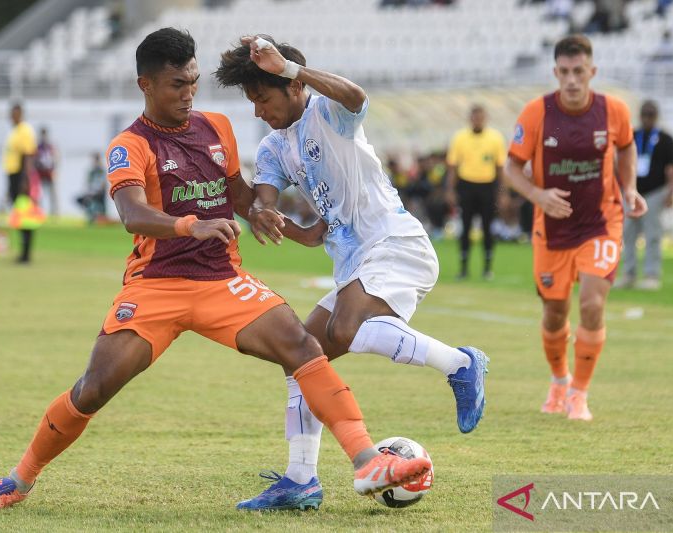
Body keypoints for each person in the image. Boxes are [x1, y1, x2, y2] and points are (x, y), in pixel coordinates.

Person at [0, 28, 431, 510]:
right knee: (94, 389)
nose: (188, 93)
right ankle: (19, 480)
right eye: (176, 85)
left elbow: (242, 200)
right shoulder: (130, 145)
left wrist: (290, 227)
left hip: (222, 282)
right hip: (156, 286)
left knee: (302, 346)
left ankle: (366, 461)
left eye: (192, 81)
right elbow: (132, 214)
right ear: (145, 85)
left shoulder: (217, 130)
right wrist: (192, 225)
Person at [215, 35, 488, 511]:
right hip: (355, 262)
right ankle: (301, 481)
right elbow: (266, 191)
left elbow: (357, 96)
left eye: (263, 97)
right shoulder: (277, 145)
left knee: (347, 327)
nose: (258, 110)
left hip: (395, 244)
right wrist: (268, 214)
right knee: (301, 356)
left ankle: (460, 364)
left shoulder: (327, 111)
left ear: (291, 86)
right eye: (252, 101)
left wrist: (292, 68)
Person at [503, 34, 647, 421]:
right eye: (564, 72)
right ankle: (559, 380)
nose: (571, 79)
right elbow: (511, 167)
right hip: (551, 230)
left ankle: (580, 395)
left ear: (592, 71)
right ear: (555, 72)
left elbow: (627, 146)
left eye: (578, 71)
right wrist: (537, 194)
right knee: (554, 312)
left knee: (592, 303)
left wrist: (629, 187)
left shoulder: (613, 110)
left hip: (601, 223)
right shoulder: (537, 113)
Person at [617, 101, 673, 290]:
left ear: (656, 116)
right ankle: (629, 274)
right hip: (631, 191)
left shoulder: (666, 139)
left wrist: (671, 193)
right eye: (644, 114)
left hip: (655, 192)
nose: (647, 118)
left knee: (653, 234)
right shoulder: (632, 136)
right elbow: (619, 161)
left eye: (651, 114)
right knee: (627, 234)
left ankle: (652, 275)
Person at [445, 104, 507, 279]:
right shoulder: (460, 137)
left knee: (488, 228)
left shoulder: (495, 138)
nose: (478, 120)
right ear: (470, 118)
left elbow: (500, 168)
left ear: (485, 118)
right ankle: (463, 268)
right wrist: (450, 190)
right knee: (465, 227)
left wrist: (502, 193)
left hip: (488, 186)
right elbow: (453, 167)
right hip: (466, 186)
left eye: (481, 117)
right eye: (475, 117)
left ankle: (487, 268)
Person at [2, 103, 37, 210]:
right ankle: (22, 224)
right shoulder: (15, 130)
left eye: (14, 114)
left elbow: (27, 155)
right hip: (13, 171)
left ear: (20, 114)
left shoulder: (25, 130)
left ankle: (27, 225)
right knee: (16, 202)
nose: (12, 117)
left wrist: (25, 178)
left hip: (20, 172)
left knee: (22, 203)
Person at [75, 152, 107, 224]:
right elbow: (88, 183)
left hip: (99, 193)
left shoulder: (102, 171)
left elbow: (103, 184)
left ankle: (99, 217)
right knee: (82, 200)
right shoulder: (91, 171)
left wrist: (95, 191)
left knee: (93, 201)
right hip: (91, 192)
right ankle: (91, 216)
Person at [34, 127, 59, 217]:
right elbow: (34, 160)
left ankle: (54, 212)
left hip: (49, 172)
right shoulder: (37, 147)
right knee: (38, 193)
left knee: (53, 194)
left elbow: (55, 159)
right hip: (40, 172)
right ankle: (38, 211)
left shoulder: (50, 146)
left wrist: (54, 171)